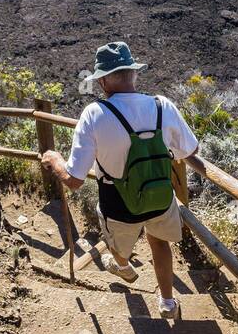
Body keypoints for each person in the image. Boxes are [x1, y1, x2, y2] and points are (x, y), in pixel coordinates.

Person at [41, 41, 198, 319]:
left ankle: (123, 266)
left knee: (117, 249)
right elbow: (191, 149)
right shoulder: (163, 106)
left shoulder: (94, 114)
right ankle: (167, 302)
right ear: (134, 74)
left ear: (102, 81)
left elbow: (75, 179)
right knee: (159, 241)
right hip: (160, 196)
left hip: (119, 203)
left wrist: (54, 160)